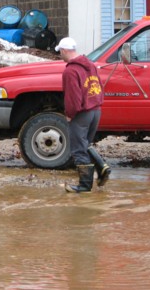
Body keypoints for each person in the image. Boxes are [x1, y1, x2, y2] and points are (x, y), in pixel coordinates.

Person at [55, 37, 111, 193]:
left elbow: (73, 97)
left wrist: (70, 114)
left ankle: (84, 186)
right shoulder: (91, 65)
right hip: (96, 111)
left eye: (60, 52)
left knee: (78, 149)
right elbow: (98, 86)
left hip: (82, 113)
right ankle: (102, 168)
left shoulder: (70, 71)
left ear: (64, 50)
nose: (60, 55)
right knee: (85, 144)